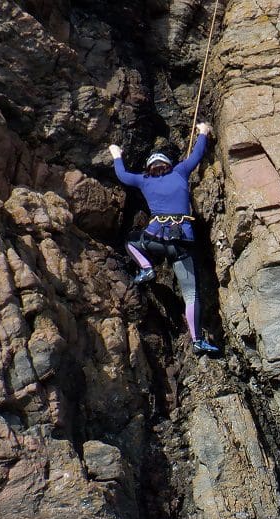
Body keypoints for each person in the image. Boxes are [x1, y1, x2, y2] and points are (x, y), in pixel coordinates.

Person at [108, 123, 219, 355]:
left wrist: (117, 155)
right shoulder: (180, 171)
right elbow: (197, 154)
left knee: (130, 240)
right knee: (192, 294)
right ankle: (197, 341)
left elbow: (122, 175)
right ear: (167, 165)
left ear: (150, 168)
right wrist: (203, 132)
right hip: (182, 245)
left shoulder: (144, 180)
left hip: (155, 239)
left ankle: (147, 268)